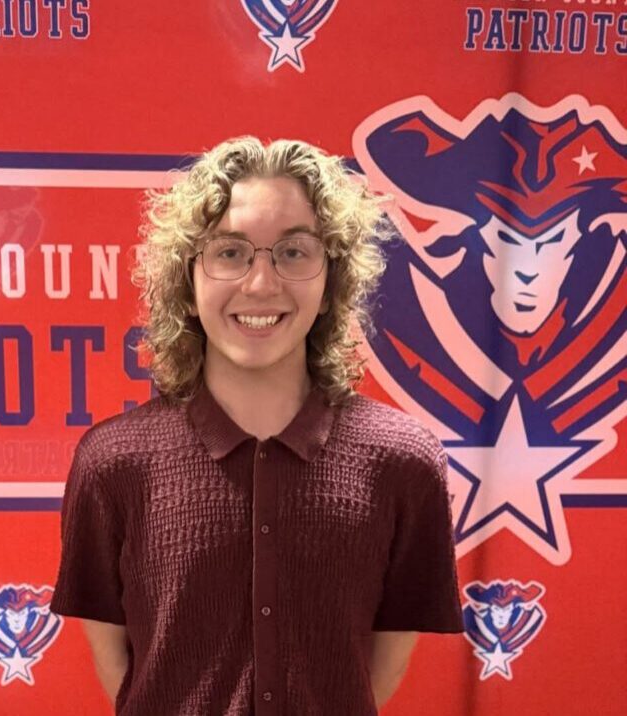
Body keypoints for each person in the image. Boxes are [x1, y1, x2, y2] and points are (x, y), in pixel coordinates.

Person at [50, 136, 463, 715]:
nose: (261, 284)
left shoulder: (403, 461)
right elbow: (119, 661)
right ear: (188, 282)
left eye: (294, 252)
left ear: (331, 282)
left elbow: (379, 669)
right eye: (230, 252)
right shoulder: (114, 462)